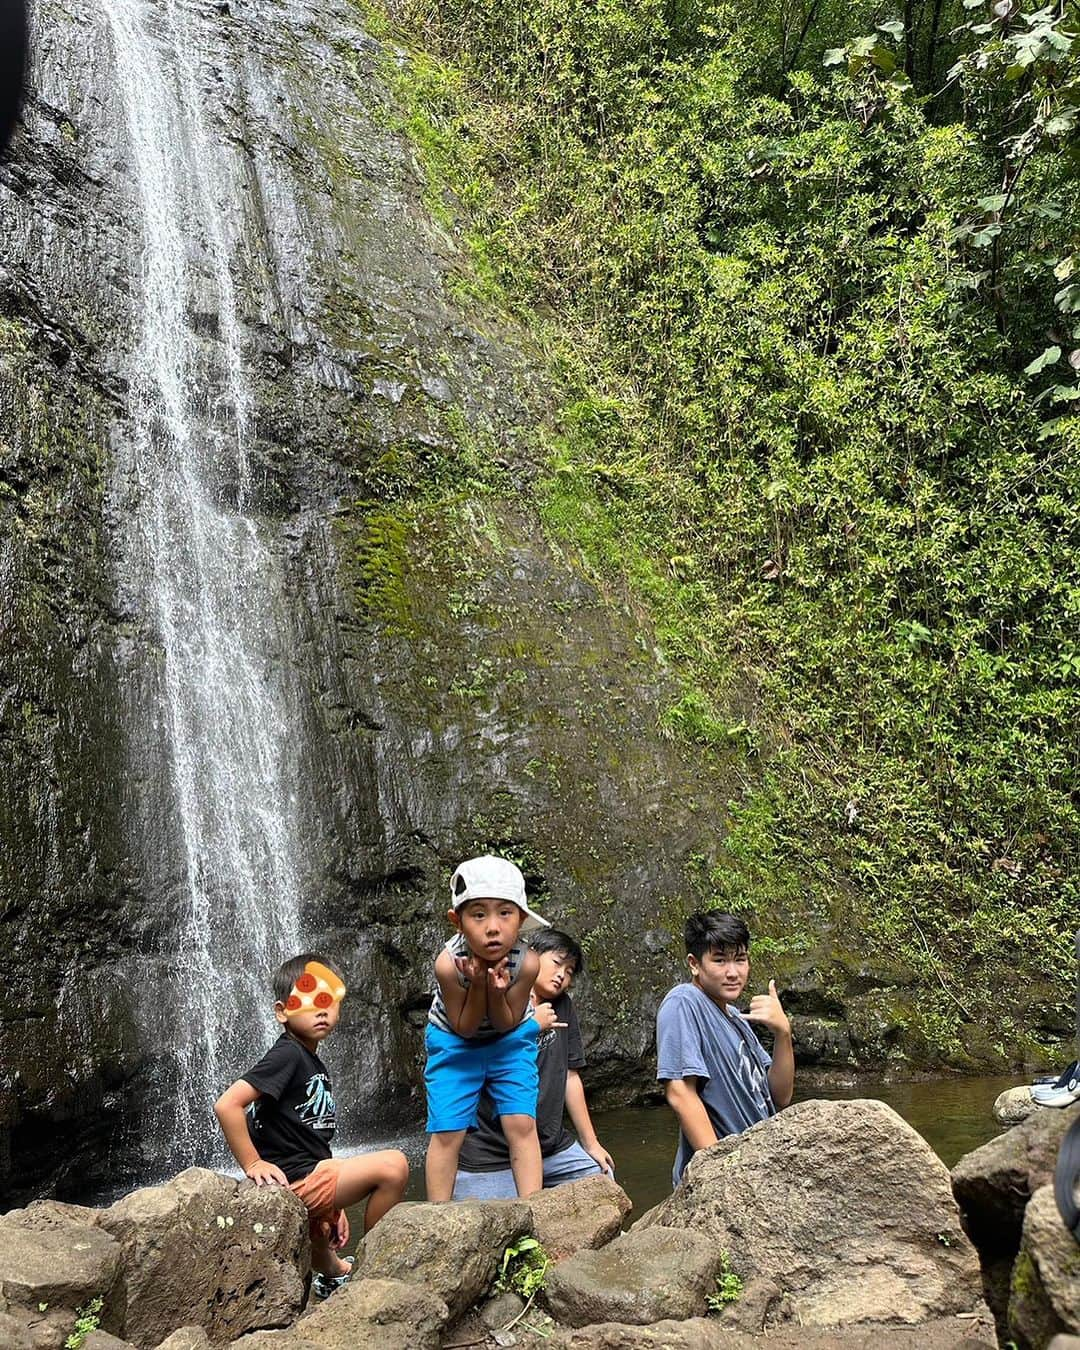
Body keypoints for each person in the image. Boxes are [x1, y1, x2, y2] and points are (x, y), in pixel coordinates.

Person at [214, 954, 409, 1299]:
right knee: (394, 1165)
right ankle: (375, 1267)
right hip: (296, 1180)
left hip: (308, 1171)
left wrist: (335, 1207)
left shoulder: (307, 1058)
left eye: (328, 1000)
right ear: (281, 1011)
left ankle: (331, 1275)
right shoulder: (287, 1055)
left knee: (324, 1243)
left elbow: (309, 1136)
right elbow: (227, 1104)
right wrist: (252, 1164)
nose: (320, 1010)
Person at [453, 928, 614, 1198]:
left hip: (550, 1147)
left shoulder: (563, 1006)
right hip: (491, 1154)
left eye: (570, 970)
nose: (562, 974)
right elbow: (475, 1058)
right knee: (498, 1225)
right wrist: (531, 1024)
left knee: (603, 1179)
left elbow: (570, 1077)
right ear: (530, 957)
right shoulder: (496, 995)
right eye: (556, 963)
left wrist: (591, 1143)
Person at [425, 855, 546, 1202]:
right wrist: (478, 984)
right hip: (454, 1042)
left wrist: (496, 992)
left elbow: (507, 1021)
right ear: (457, 921)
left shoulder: (528, 962)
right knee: (448, 1129)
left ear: (521, 919)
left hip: (509, 1039)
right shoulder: (449, 965)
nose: (492, 927)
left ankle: (533, 1209)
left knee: (521, 1124)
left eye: (504, 913)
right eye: (478, 914)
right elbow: (464, 1027)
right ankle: (437, 1216)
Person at [656, 911, 794, 1186]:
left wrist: (783, 1033)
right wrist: (719, 1173)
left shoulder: (736, 1019)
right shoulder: (684, 1002)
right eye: (719, 960)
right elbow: (680, 1092)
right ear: (694, 964)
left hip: (759, 1168)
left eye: (740, 959)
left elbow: (780, 1096)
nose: (733, 972)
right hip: (726, 1177)